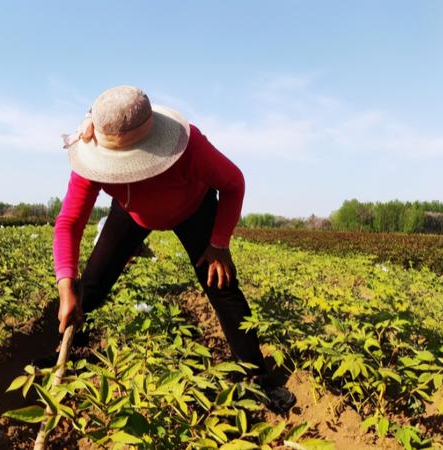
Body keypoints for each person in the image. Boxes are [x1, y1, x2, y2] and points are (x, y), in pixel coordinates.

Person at [53, 86, 296, 413]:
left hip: (193, 210)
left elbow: (234, 183)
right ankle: (64, 352)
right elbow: (69, 221)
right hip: (131, 212)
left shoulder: (190, 146)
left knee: (221, 285)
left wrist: (219, 243)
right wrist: (65, 284)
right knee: (91, 286)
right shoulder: (90, 155)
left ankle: (257, 377)